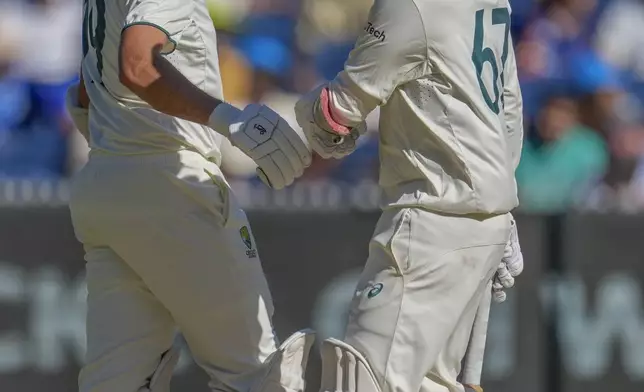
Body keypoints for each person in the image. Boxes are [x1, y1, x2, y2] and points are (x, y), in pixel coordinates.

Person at [64, 0, 313, 391]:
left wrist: (118, 151)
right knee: (256, 376)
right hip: (171, 187)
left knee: (116, 382)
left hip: (105, 185)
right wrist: (230, 119)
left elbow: (85, 94)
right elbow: (137, 65)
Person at [294, 0, 525, 391]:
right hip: (484, 218)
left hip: (431, 219)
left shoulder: (409, 4)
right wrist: (502, 206)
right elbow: (509, 111)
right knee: (431, 385)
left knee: (365, 380)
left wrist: (302, 115)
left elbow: (340, 112)